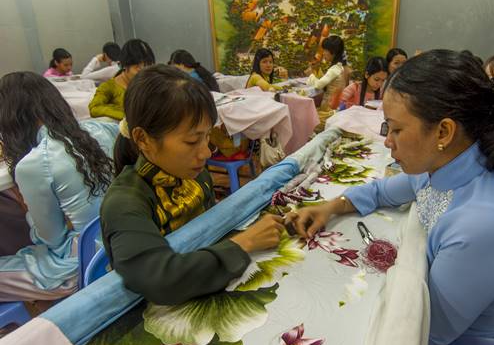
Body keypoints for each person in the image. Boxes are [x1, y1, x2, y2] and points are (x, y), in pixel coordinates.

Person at [288, 50, 494, 345]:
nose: (387, 141)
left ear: (443, 131)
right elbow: (388, 189)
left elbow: (424, 336)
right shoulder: (451, 163)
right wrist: (332, 206)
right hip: (457, 332)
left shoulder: (483, 223)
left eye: (396, 129)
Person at [101, 65, 284, 305]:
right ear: (142, 139)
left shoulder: (194, 176)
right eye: (192, 141)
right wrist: (245, 242)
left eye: (207, 136)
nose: (206, 152)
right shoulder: (124, 204)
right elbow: (160, 280)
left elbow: (209, 230)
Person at [0, 72, 118, 301]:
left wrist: (30, 212)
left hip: (78, 269)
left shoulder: (35, 163)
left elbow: (50, 240)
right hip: (121, 246)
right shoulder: (101, 130)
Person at [89, 39, 155, 121]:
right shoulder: (110, 86)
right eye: (138, 68)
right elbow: (94, 108)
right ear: (125, 65)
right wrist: (125, 115)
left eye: (148, 67)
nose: (144, 73)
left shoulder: (149, 83)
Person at [306, 35, 347, 130]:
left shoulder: (334, 69)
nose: (323, 53)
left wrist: (311, 74)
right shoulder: (339, 67)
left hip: (328, 110)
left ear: (333, 52)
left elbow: (318, 85)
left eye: (325, 50)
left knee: (305, 119)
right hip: (333, 107)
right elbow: (325, 81)